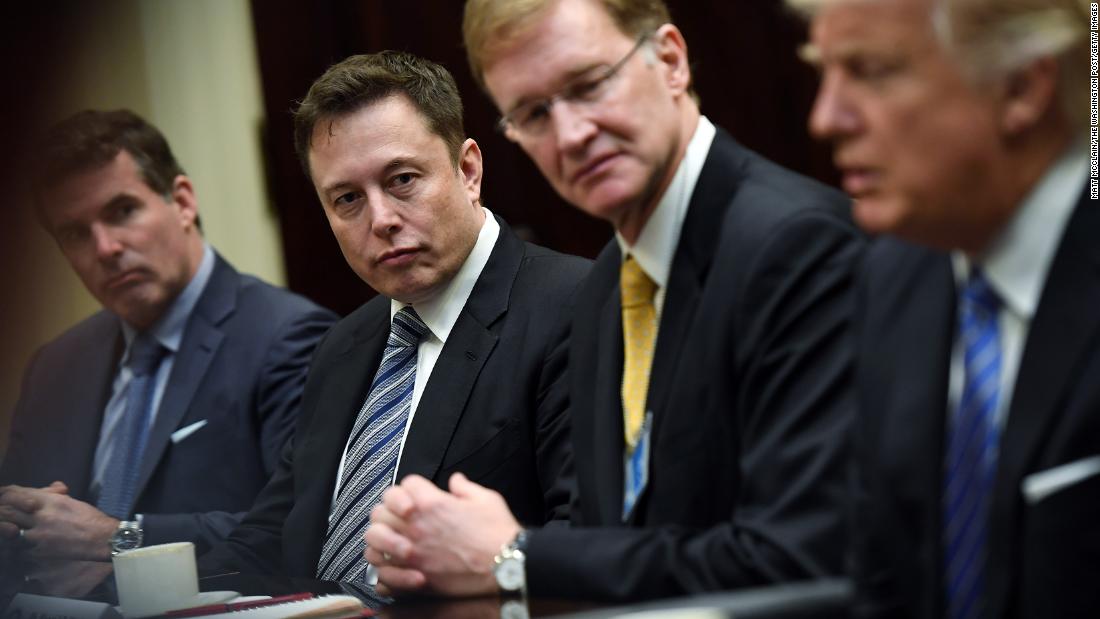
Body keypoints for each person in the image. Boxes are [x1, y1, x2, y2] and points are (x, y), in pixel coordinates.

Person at [365, 0, 865, 602]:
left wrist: (514, 556)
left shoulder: (795, 245)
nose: (572, 134)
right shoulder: (604, 290)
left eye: (591, 85)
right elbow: (618, 532)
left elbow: (796, 556)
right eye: (533, 113)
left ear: (671, 61)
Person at [198, 51, 590, 584]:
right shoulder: (343, 345)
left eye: (402, 179)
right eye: (347, 199)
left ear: (468, 170)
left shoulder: (578, 306)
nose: (380, 220)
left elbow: (587, 543)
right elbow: (271, 535)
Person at [790, 0, 1096, 616]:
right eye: (824, 70)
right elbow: (881, 581)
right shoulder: (896, 272)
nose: (825, 118)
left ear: (1019, 88)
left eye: (871, 71)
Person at [0, 110, 337, 596]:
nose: (106, 247)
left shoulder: (287, 336)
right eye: (75, 233)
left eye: (122, 211)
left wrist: (118, 538)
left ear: (181, 201)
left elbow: (302, 530)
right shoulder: (55, 366)